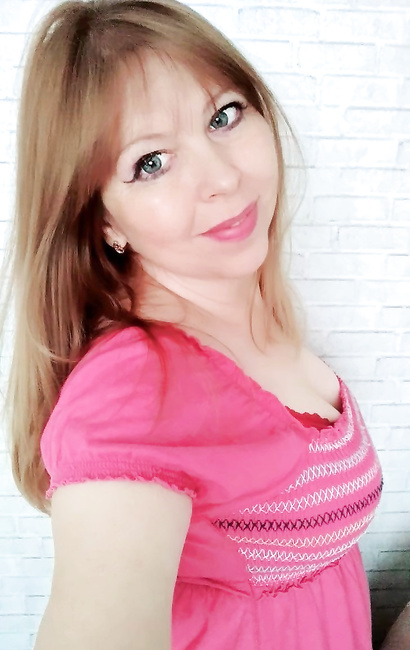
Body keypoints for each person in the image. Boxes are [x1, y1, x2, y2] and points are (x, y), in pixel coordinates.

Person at [1, 1, 383, 648]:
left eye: (223, 116)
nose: (224, 178)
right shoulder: (132, 395)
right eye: (151, 162)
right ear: (104, 220)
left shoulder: (256, 318)